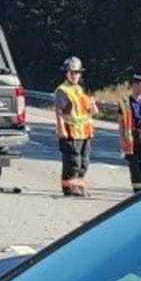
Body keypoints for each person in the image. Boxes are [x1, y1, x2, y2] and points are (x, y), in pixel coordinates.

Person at [54, 56, 98, 196]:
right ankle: (69, 188)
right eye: (72, 72)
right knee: (73, 161)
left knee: (84, 162)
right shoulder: (62, 90)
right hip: (71, 132)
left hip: (85, 132)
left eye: (77, 72)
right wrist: (61, 129)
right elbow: (59, 112)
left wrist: (93, 106)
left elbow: (91, 111)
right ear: (66, 73)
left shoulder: (80, 89)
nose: (75, 75)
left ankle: (78, 186)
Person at [118, 73, 141, 193]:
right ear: (134, 86)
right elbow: (121, 122)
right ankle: (139, 192)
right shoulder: (125, 102)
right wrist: (121, 138)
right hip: (131, 138)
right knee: (135, 167)